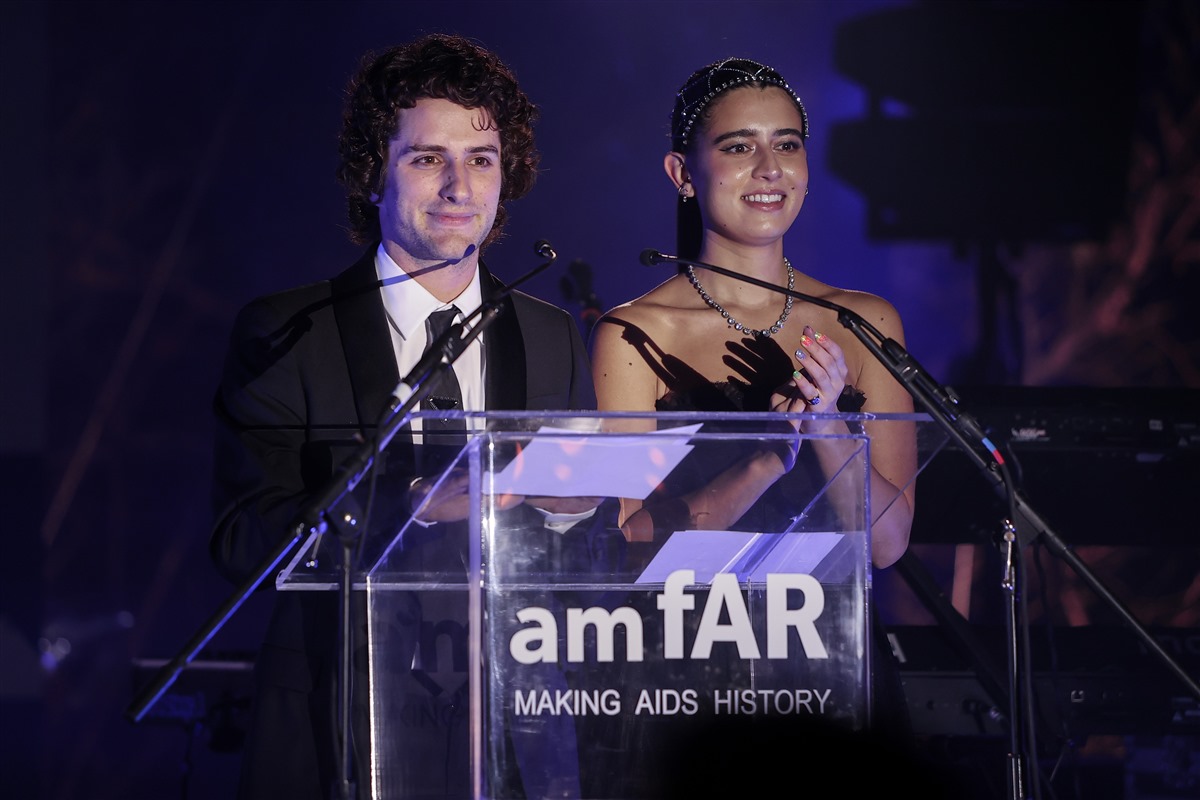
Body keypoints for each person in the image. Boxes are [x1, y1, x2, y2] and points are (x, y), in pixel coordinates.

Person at [209, 34, 595, 800]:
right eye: (428, 158)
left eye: (481, 159)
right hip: (337, 727)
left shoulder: (550, 334)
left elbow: (585, 548)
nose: (459, 185)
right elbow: (238, 540)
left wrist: (569, 514)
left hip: (514, 737)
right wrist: (408, 506)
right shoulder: (291, 329)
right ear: (371, 172)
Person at [589, 58, 919, 737]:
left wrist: (826, 429)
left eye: (788, 144)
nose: (770, 167)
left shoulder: (865, 322)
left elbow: (886, 543)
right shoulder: (635, 332)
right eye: (739, 147)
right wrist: (764, 460)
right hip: (690, 671)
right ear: (682, 174)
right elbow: (624, 549)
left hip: (832, 662)